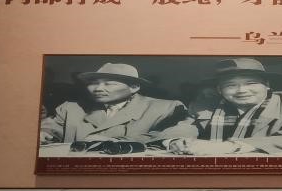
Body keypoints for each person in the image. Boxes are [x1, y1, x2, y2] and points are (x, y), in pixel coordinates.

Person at [166, 58, 282, 155]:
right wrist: (176, 141)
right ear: (219, 90)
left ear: (267, 85)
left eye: (251, 83)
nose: (241, 90)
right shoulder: (205, 105)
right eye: (231, 85)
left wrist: (228, 146)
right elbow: (184, 127)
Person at [39, 62, 197, 144]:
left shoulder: (166, 108)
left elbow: (179, 134)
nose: (98, 88)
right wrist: (43, 134)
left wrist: (116, 143)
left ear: (134, 87)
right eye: (93, 83)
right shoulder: (71, 108)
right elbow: (50, 130)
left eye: (109, 84)